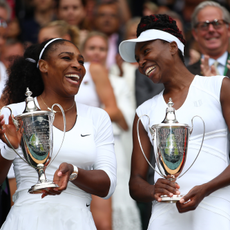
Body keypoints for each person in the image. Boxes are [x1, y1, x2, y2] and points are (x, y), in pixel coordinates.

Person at [119, 14, 230, 230]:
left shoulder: (219, 87)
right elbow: (136, 182)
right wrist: (153, 190)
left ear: (172, 47)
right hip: (165, 218)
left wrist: (206, 188)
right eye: (137, 58)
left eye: (146, 52)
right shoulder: (144, 112)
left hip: (217, 211)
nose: (141, 63)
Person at [0, 38, 117, 230]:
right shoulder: (13, 113)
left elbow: (107, 185)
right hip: (25, 221)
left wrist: (74, 172)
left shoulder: (98, 117)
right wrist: (9, 149)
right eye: (66, 58)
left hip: (78, 223)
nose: (77, 65)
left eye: (80, 61)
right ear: (44, 66)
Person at [76, 31, 140, 230]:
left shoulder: (119, 82)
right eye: (92, 48)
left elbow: (126, 118)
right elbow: (115, 113)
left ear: (109, 52)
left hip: (115, 145)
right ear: (83, 51)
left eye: (102, 48)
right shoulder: (76, 81)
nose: (97, 53)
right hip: (83, 145)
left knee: (116, 195)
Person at [187, 1, 230, 77]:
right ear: (195, 34)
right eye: (204, 25)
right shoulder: (187, 75)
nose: (211, 29)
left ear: (228, 29)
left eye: (217, 23)